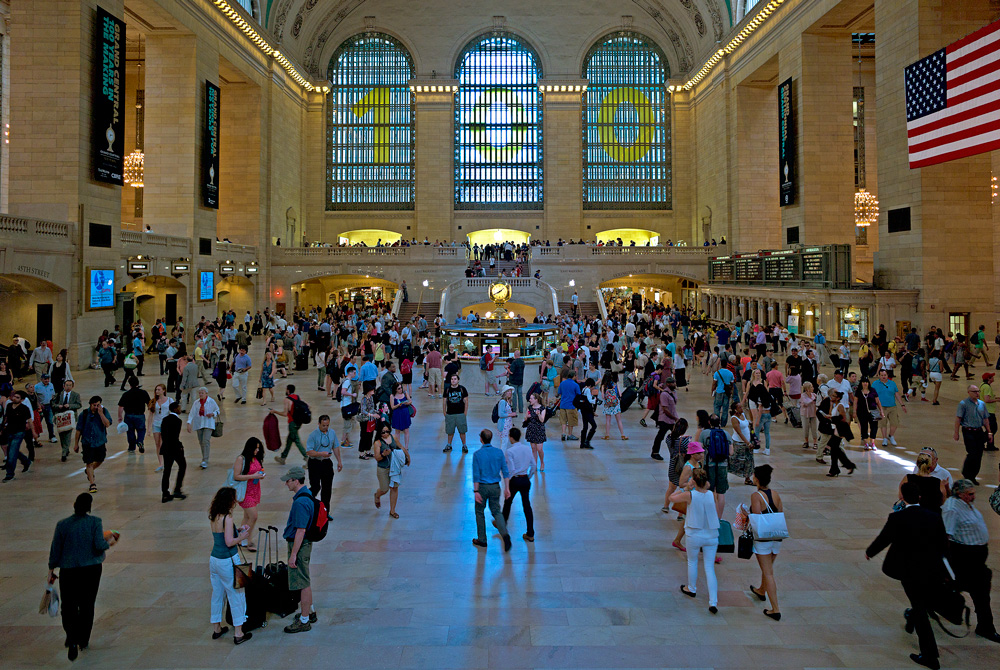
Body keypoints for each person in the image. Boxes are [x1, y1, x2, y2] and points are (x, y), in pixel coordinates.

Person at [865, 481, 947, 670]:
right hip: (930, 569)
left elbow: (884, 538)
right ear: (919, 497)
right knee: (921, 604)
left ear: (902, 497)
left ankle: (929, 655)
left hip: (909, 572)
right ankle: (914, 619)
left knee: (919, 609)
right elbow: (943, 546)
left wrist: (870, 552)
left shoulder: (898, 518)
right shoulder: (934, 517)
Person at [47, 493, 118, 661]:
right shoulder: (95, 522)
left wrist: (51, 568)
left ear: (74, 505)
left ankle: (71, 637)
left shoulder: (62, 525)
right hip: (91, 569)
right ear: (89, 507)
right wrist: (110, 541)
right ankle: (83, 639)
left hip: (69, 569)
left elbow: (55, 548)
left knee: (69, 605)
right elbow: (99, 545)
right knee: (87, 604)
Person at [942, 479, 1000, 643]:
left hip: (976, 560)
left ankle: (985, 627)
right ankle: (918, 610)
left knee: (981, 593)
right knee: (970, 591)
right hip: (964, 560)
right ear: (959, 494)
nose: (974, 496)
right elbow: (947, 537)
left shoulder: (965, 504)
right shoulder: (952, 509)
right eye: (970, 494)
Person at [669, 467, 720, 613]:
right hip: (711, 534)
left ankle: (691, 588)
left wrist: (685, 488)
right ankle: (713, 601)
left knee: (693, 561)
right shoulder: (712, 494)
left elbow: (671, 498)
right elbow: (709, 495)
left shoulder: (690, 495)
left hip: (694, 534)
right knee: (710, 568)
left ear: (694, 480)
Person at [207, 487, 252, 645]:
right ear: (229, 501)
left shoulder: (214, 516)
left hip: (214, 560)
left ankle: (217, 629)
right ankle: (239, 633)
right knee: (236, 594)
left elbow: (221, 536)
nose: (235, 501)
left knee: (217, 594)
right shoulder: (228, 517)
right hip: (228, 561)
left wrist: (237, 530)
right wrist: (242, 536)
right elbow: (229, 542)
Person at [280, 466, 317, 634]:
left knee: (302, 583)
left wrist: (293, 554)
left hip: (300, 546)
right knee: (304, 580)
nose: (286, 483)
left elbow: (301, 530)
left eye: (288, 480)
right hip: (303, 545)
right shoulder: (306, 495)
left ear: (296, 480)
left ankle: (304, 620)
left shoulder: (301, 502)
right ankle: (310, 612)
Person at [748, 464, 783, 621]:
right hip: (776, 537)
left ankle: (775, 609)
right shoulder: (775, 494)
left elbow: (756, 518)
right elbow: (780, 513)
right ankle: (761, 590)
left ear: (756, 479)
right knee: (767, 567)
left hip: (763, 539)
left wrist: (745, 514)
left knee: (768, 572)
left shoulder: (756, 496)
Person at [471, 428, 512, 551]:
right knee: (496, 511)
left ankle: (482, 539)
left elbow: (476, 475)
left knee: (479, 512)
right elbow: (505, 472)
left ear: (481, 439)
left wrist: (476, 491)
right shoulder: (499, 453)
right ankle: (505, 535)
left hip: (483, 487)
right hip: (495, 486)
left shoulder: (477, 454)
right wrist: (507, 489)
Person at [501, 427, 534, 542]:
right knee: (527, 506)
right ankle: (530, 533)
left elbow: (511, 469)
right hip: (525, 479)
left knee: (508, 502)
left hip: (515, 480)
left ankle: (502, 524)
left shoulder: (509, 451)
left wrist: (508, 483)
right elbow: (534, 466)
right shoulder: (527, 448)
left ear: (511, 437)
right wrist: (527, 477)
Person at [73, 396, 112, 493]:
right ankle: (92, 483)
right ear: (90, 405)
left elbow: (107, 424)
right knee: (89, 462)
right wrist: (76, 444)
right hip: (87, 442)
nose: (96, 407)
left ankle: (89, 471)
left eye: (98, 405)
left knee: (100, 459)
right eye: (94, 405)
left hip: (100, 441)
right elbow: (78, 430)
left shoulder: (104, 411)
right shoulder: (84, 414)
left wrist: (101, 414)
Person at [954, 384, 991, 484]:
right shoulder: (963, 404)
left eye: (978, 391)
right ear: (969, 392)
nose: (977, 393)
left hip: (979, 431)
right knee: (972, 453)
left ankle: (973, 476)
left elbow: (985, 419)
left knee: (979, 454)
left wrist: (989, 432)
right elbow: (958, 419)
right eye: (974, 391)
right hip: (968, 431)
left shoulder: (982, 404)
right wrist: (956, 433)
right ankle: (966, 473)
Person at [232, 438, 265, 546]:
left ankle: (240, 538)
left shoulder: (255, 458)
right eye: (255, 448)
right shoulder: (241, 459)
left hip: (254, 490)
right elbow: (236, 476)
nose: (257, 450)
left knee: (247, 517)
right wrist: (253, 476)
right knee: (253, 516)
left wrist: (260, 475)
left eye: (258, 448)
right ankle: (247, 539)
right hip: (244, 492)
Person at [373, 421, 409, 518]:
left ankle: (392, 511)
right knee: (385, 489)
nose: (385, 434)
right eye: (383, 432)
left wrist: (408, 456)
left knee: (394, 488)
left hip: (394, 468)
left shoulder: (393, 438)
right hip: (383, 468)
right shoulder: (377, 443)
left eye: (387, 431)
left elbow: (401, 447)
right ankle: (377, 495)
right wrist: (383, 455)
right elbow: (377, 458)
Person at [306, 415, 342, 511]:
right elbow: (309, 451)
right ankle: (307, 504)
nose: (325, 428)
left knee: (327, 488)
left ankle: (325, 512)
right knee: (315, 487)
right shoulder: (313, 435)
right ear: (318, 424)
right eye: (323, 425)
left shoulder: (332, 433)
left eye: (327, 425)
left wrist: (339, 461)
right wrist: (320, 453)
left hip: (326, 463)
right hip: (315, 463)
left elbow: (336, 447)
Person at [159, 402, 187, 503]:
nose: (180, 409)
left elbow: (164, 435)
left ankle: (165, 493)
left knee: (167, 470)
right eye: (179, 407)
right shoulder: (178, 421)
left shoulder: (165, 420)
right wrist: (179, 446)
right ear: (175, 409)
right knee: (182, 466)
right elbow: (175, 436)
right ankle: (177, 489)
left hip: (166, 448)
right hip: (175, 448)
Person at [186, 387, 220, 470]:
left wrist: (213, 414)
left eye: (202, 393)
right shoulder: (196, 403)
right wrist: (189, 422)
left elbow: (218, 410)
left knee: (206, 441)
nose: (201, 394)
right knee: (201, 441)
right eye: (200, 393)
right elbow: (192, 413)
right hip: (199, 424)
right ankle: (204, 457)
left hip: (208, 424)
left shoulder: (211, 401)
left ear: (206, 394)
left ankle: (205, 460)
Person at [273, 384, 307, 465]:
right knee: (289, 440)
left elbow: (285, 413)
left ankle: (307, 457)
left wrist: (274, 411)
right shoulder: (297, 397)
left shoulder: (286, 399)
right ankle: (283, 458)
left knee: (297, 441)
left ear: (288, 390)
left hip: (292, 423)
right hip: (299, 422)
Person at [873, 369, 906, 447]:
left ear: (887, 375)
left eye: (885, 375)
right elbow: (872, 395)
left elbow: (896, 394)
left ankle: (891, 435)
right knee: (883, 423)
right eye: (882, 375)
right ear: (879, 376)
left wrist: (902, 404)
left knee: (895, 422)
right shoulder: (875, 384)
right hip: (881, 407)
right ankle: (884, 438)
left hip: (892, 406)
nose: (883, 377)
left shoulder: (892, 383)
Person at [117, 377, 150, 454]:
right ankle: (140, 441)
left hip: (129, 415)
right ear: (138, 383)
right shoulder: (143, 393)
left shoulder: (126, 394)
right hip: (140, 415)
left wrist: (120, 416)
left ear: (130, 384)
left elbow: (121, 407)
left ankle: (131, 447)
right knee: (141, 430)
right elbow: (149, 403)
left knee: (130, 431)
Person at [52, 380, 82, 463]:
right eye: (66, 385)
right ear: (63, 386)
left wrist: (70, 406)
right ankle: (65, 448)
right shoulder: (58, 395)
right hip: (60, 417)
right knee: (61, 434)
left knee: (68, 434)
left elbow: (79, 405)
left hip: (70, 417)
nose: (68, 387)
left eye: (70, 385)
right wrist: (59, 406)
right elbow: (53, 405)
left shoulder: (75, 395)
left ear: (72, 386)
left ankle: (64, 452)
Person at [651, 376, 678, 460]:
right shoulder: (664, 394)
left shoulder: (674, 392)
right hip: (665, 419)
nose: (675, 384)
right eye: (673, 383)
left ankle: (676, 451)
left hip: (672, 418)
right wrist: (674, 418)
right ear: (668, 384)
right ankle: (655, 452)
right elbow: (665, 409)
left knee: (676, 435)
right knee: (660, 436)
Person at [442, 373, 470, 453]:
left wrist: (465, 412)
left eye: (455, 379)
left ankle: (464, 445)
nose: (453, 381)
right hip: (450, 413)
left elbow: (466, 401)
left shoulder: (462, 389)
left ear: (458, 380)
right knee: (450, 431)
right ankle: (449, 445)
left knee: (462, 431)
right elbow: (444, 401)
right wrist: (444, 412)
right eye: (452, 379)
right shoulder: (447, 390)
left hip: (460, 413)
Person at [555, 369, 581, 442]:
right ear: (573, 376)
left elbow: (559, 393)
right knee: (571, 421)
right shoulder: (575, 385)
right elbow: (578, 395)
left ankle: (563, 433)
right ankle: (569, 434)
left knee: (563, 420)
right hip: (571, 405)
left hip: (563, 405)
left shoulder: (562, 383)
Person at [524, 391, 547, 472]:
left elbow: (542, 420)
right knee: (533, 448)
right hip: (531, 428)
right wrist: (527, 416)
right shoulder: (529, 407)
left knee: (539, 449)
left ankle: (542, 462)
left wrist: (538, 414)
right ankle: (535, 464)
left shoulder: (542, 408)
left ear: (536, 399)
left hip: (539, 429)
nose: (530, 400)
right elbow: (526, 418)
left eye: (531, 398)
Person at [389, 381, 412, 450]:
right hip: (397, 413)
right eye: (399, 388)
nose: (401, 389)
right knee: (397, 431)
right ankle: (398, 445)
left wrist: (407, 403)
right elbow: (392, 407)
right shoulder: (392, 396)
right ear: (395, 389)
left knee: (406, 430)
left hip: (405, 412)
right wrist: (398, 405)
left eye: (401, 388)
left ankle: (406, 446)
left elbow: (410, 400)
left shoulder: (405, 393)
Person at [496, 385, 517, 451]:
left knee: (505, 442)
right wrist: (511, 414)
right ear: (504, 392)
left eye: (510, 391)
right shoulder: (503, 402)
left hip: (507, 425)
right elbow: (501, 414)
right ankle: (502, 458)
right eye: (508, 391)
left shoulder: (508, 401)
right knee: (504, 443)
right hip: (504, 425)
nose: (510, 393)